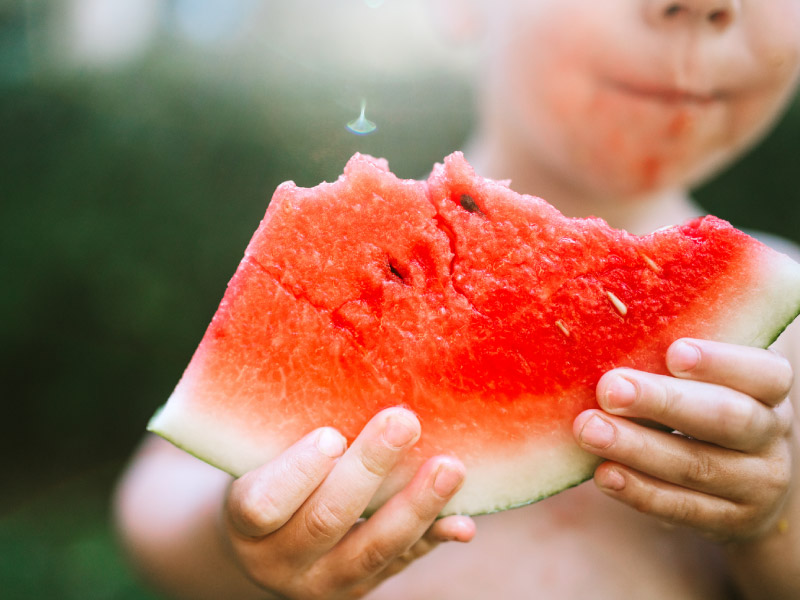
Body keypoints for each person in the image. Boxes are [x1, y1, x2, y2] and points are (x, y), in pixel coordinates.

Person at [114, 1, 800, 598]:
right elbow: (155, 503)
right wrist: (235, 535)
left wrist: (775, 523)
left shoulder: (781, 323)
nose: (704, 2)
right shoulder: (346, 271)